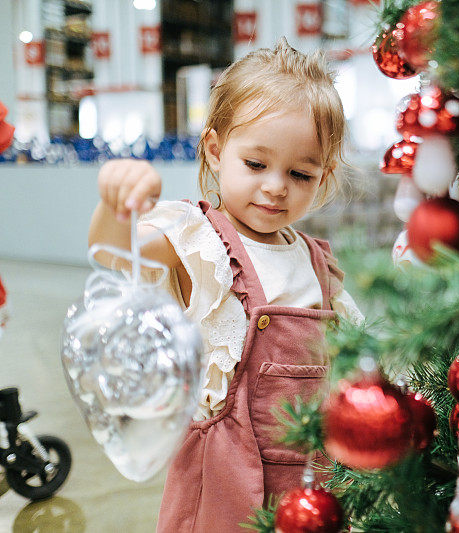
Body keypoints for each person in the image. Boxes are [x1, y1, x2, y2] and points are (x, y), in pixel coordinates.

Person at [87, 39, 362, 532]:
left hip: (310, 481)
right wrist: (116, 206)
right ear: (215, 151)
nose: (276, 185)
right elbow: (113, 253)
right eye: (256, 164)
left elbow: (358, 354)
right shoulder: (198, 239)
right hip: (222, 480)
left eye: (300, 173)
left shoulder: (318, 262)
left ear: (324, 177)